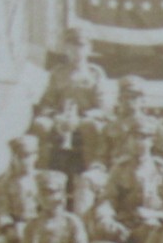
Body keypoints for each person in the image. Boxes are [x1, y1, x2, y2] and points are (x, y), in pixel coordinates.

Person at [32, 24, 110, 177]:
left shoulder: (95, 74)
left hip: (85, 119)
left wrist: (83, 117)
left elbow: (104, 106)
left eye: (81, 46)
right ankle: (42, 175)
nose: (76, 51)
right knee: (40, 125)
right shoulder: (57, 73)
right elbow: (47, 102)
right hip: (60, 118)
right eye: (72, 46)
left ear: (89, 48)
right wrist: (56, 117)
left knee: (91, 126)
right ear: (66, 48)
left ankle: (91, 174)